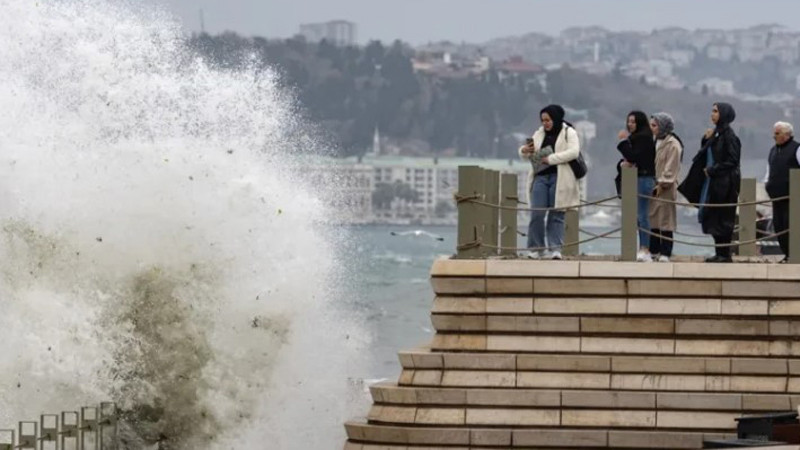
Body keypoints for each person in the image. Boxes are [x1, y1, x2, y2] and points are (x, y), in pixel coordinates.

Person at [679, 103, 741, 263]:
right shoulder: (716, 134)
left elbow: (733, 160)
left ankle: (725, 254)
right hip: (713, 183)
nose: (712, 114)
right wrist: (705, 139)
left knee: (723, 219)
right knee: (713, 217)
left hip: (725, 185)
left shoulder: (729, 136)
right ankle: (719, 252)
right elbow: (706, 152)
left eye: (715, 111)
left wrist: (713, 170)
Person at [519, 104, 581, 260]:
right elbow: (531, 152)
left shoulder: (568, 132)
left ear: (556, 118)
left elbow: (574, 152)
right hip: (540, 176)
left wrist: (551, 159)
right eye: (542, 120)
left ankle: (555, 248)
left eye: (548, 120)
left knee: (557, 213)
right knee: (537, 213)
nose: (545, 123)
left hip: (560, 177)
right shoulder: (539, 133)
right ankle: (536, 247)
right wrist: (524, 150)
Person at [617, 111, 656, 262]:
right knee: (636, 216)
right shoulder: (637, 138)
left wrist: (622, 142)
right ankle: (636, 248)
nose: (630, 124)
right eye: (628, 121)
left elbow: (634, 157)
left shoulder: (644, 137)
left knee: (642, 215)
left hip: (644, 179)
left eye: (633, 122)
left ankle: (645, 249)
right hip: (636, 179)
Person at [648, 113, 683, 262]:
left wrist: (662, 183)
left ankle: (666, 252)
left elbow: (671, 168)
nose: (652, 129)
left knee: (666, 221)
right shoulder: (653, 142)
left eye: (654, 125)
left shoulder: (673, 144)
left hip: (665, 189)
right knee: (652, 219)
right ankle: (653, 250)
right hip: (652, 187)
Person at [765, 121, 800, 262]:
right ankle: (787, 254)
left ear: (787, 134)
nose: (774, 136)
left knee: (791, 226)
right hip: (776, 197)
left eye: (777, 133)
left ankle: (795, 255)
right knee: (779, 227)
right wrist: (767, 184)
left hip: (793, 198)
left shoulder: (797, 149)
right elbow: (769, 171)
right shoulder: (773, 151)